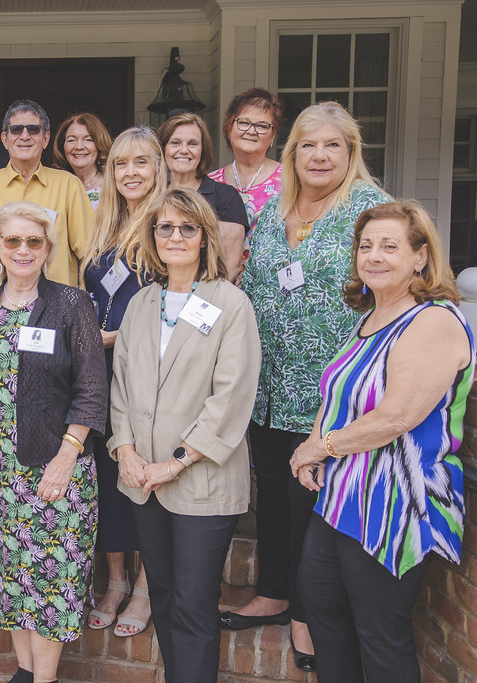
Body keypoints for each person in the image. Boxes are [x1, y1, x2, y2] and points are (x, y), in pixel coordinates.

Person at [227, 101, 389, 672]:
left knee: (311, 505)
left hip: (329, 394)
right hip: (269, 385)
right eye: (308, 145)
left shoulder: (370, 211)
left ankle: (306, 614)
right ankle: (272, 590)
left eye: (333, 146)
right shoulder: (273, 211)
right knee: (272, 494)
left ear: (351, 152)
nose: (319, 156)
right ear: (291, 152)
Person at [289, 201, 474, 682]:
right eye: (366, 246)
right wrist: (317, 441)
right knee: (323, 611)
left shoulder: (432, 321)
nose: (374, 255)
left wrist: (318, 448)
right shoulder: (370, 319)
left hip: (394, 501)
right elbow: (339, 395)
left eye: (390, 246)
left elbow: (395, 417)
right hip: (343, 493)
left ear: (420, 256)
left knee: (380, 633)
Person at [0, 201, 108, 683]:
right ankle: (24, 671)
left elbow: (91, 389)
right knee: (11, 580)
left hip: (54, 470)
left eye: (33, 241)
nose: (22, 249)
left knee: (52, 583)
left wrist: (66, 457)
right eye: (12, 240)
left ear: (47, 250)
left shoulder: (71, 304)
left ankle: (45, 678)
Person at [110, 187, 261, 683]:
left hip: (200, 483)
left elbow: (231, 397)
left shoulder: (230, 304)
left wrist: (174, 463)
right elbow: (122, 386)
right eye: (165, 227)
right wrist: (126, 452)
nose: (175, 236)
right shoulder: (141, 303)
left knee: (194, 605)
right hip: (143, 480)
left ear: (204, 237)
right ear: (152, 237)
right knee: (167, 596)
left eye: (187, 228)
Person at [79, 126, 167, 637]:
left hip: (148, 371)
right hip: (101, 368)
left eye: (141, 163)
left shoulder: (167, 222)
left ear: (158, 167)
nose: (130, 173)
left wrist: (116, 338)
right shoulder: (105, 224)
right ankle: (114, 579)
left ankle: (148, 587)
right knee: (107, 478)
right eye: (120, 164)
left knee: (144, 476)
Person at [0, 99, 94, 297]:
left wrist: (82, 303)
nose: (25, 136)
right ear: (5, 139)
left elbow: (90, 253)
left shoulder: (69, 186)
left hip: (56, 310)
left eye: (33, 129)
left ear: (45, 138)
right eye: (16, 130)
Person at [157, 112, 249, 279]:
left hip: (209, 298)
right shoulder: (154, 197)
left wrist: (198, 302)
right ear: (163, 149)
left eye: (192, 144)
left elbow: (229, 266)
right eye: (175, 143)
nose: (184, 150)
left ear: (203, 150)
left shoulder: (225, 197)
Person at [208, 88, 285, 256]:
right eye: (244, 122)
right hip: (217, 279)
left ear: (273, 135)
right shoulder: (209, 183)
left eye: (262, 126)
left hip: (270, 279)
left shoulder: (289, 180)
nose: (251, 131)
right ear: (229, 127)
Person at [52, 112, 111, 207]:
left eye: (88, 139)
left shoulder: (113, 185)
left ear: (99, 145)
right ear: (62, 146)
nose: (79, 147)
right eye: (71, 140)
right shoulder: (55, 187)